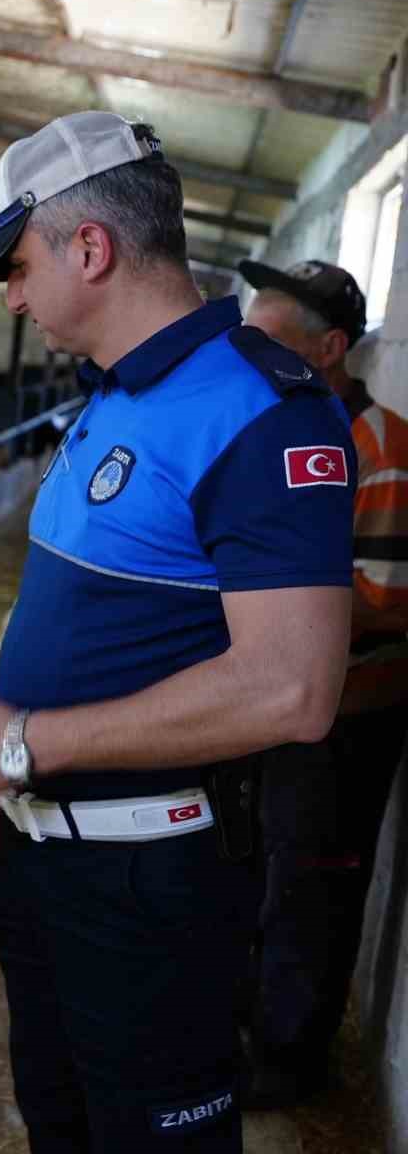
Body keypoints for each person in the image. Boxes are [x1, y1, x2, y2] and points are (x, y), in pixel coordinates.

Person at [0, 110, 356, 1154]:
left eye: (18, 267)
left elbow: (292, 691)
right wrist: (14, 760)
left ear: (90, 247)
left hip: (150, 882)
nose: (14, 297)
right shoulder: (114, 398)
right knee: (61, 1121)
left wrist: (25, 743)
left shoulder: (263, 413)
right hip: (45, 861)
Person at [238, 259, 408, 1107]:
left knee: (311, 882)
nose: (246, 361)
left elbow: (384, 600)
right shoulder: (274, 430)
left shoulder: (384, 449)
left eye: (266, 345)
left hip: (345, 716)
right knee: (261, 866)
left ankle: (290, 1062)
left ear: (331, 348)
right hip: (266, 702)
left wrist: (268, 607)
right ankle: (251, 1030)